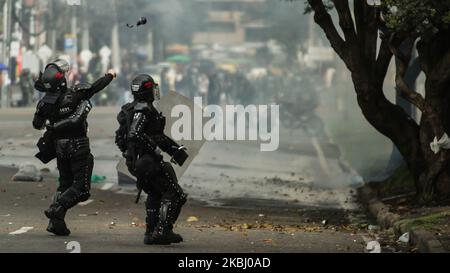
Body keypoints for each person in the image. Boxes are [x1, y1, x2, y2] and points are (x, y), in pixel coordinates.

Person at [32, 59, 116, 236]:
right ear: (61, 79)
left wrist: (52, 119)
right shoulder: (76, 94)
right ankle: (58, 208)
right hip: (78, 145)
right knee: (82, 189)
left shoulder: (44, 104)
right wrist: (110, 75)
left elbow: (36, 124)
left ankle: (56, 224)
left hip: (59, 147)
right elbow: (95, 87)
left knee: (64, 185)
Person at [115, 74, 189, 245]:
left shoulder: (130, 109)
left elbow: (125, 138)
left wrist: (174, 150)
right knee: (176, 194)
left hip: (137, 162)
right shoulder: (143, 109)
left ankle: (151, 232)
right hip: (147, 161)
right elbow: (135, 134)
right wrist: (152, 149)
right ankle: (163, 230)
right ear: (147, 90)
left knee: (156, 193)